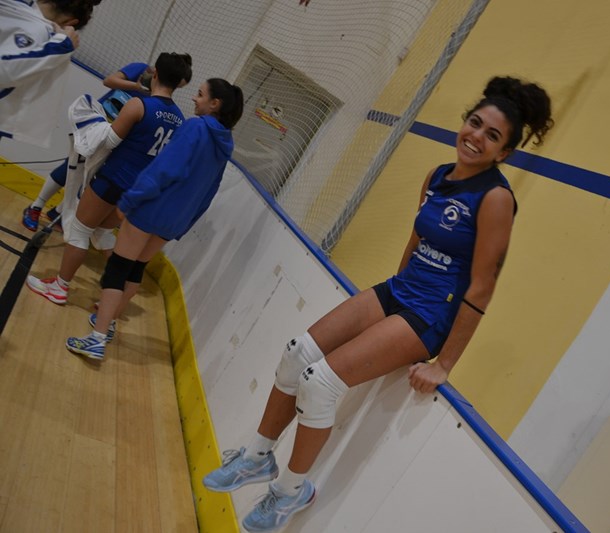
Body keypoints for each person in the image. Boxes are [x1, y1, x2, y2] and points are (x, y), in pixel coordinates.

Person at [199, 76, 554, 532]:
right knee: (296, 355)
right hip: (399, 291)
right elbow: (416, 238)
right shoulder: (437, 175)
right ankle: (256, 457)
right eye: (475, 123)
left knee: (319, 383)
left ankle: (290, 492)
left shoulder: (496, 198)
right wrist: (386, 298)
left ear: (503, 153)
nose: (476, 137)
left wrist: (444, 364)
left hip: (429, 316)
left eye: (492, 135)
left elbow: (482, 286)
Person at [65, 77, 243, 360]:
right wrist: (184, 224)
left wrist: (131, 199)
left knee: (118, 269)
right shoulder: (226, 143)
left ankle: (97, 338)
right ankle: (108, 322)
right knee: (136, 270)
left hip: (152, 209)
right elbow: (210, 190)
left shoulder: (196, 126)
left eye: (200, 94)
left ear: (215, 104)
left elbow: (164, 168)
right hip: (174, 220)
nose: (194, 98)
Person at [25, 52, 191, 307]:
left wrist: (92, 124)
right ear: (179, 82)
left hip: (112, 180)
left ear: (156, 73)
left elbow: (108, 141)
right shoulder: (180, 120)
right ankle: (115, 292)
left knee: (80, 231)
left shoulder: (138, 105)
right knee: (102, 234)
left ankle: (60, 287)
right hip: (135, 191)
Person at [20, 54, 192, 232]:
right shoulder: (140, 69)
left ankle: (59, 213)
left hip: (119, 137)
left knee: (88, 177)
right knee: (71, 166)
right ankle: (36, 206)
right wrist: (136, 87)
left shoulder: (159, 102)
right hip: (100, 126)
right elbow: (109, 81)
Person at [0, 0, 102, 147]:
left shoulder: (11, 8)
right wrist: (60, 46)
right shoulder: (39, 29)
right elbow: (5, 72)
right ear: (70, 22)